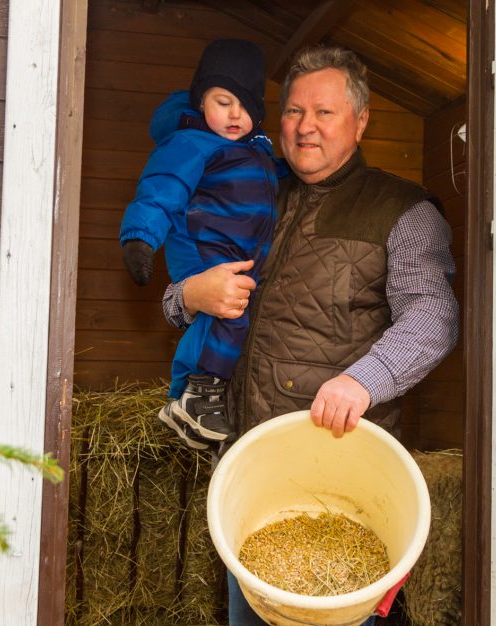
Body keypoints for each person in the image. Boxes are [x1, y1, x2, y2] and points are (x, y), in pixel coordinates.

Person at [163, 45, 460, 626]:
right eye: (294, 112)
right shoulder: (250, 192)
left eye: (323, 113)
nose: (304, 128)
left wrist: (362, 381)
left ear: (361, 118)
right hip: (251, 479)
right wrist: (187, 297)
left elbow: (433, 317)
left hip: (342, 482)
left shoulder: (401, 211)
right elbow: (181, 293)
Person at [120, 39, 280, 451]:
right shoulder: (190, 143)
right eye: (223, 101)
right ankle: (196, 395)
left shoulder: (255, 150)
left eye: (245, 107)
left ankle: (188, 399)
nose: (234, 115)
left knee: (227, 315)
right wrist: (141, 238)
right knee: (229, 313)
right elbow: (162, 189)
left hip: (233, 251)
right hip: (203, 248)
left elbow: (273, 181)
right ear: (201, 99)